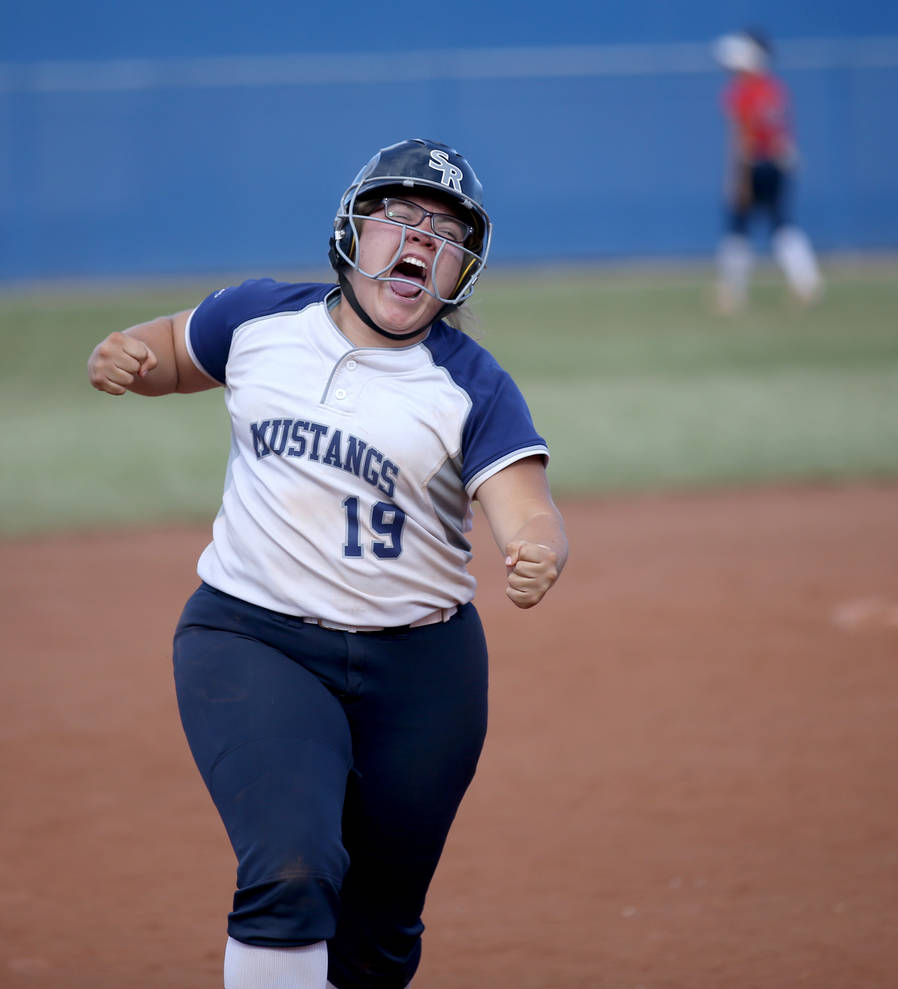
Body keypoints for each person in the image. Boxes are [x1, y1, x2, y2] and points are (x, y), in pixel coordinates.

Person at [86, 137, 569, 989]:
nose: (422, 239)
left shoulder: (469, 383)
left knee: (378, 933)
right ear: (352, 229)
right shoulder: (262, 318)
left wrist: (535, 546)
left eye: (448, 232)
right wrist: (128, 354)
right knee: (292, 871)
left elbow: (525, 502)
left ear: (463, 269)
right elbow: (171, 350)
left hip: (423, 671)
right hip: (254, 636)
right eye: (401, 216)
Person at [712, 29, 823, 312]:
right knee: (782, 223)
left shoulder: (743, 92)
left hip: (755, 163)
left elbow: (742, 139)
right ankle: (806, 281)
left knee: (738, 227)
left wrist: (739, 178)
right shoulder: (773, 89)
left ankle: (732, 292)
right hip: (779, 162)